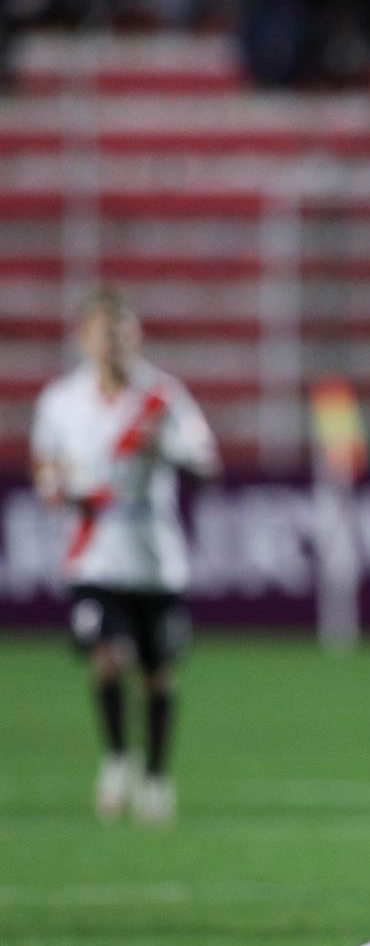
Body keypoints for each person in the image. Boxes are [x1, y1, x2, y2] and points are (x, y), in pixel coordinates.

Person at [30, 291, 220, 825]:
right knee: (108, 657)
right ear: (84, 339)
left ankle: (156, 778)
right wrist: (56, 488)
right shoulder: (62, 400)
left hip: (155, 557)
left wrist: (167, 451)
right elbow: (46, 465)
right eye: (103, 335)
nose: (113, 346)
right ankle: (117, 759)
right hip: (94, 555)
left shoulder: (162, 397)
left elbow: (206, 465)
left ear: (136, 339)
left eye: (121, 335)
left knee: (158, 673)